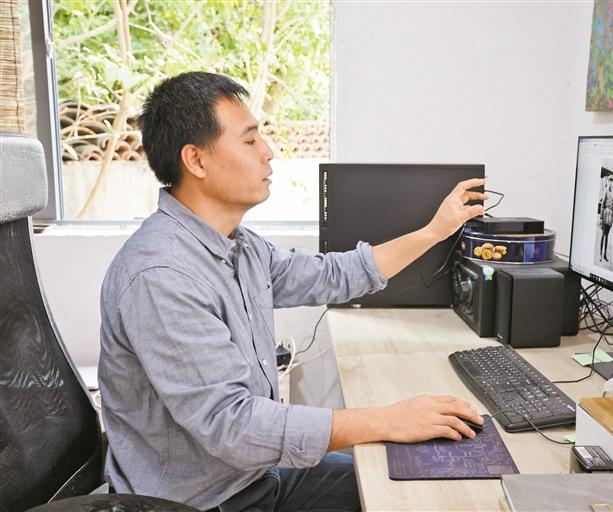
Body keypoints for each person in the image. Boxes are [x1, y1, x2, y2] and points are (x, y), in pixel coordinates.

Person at [97, 71, 486, 512]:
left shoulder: (239, 246)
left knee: (408, 485)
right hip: (204, 503)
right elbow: (235, 427)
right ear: (197, 161)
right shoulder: (162, 276)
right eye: (249, 140)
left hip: (251, 476)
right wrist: (386, 419)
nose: (268, 152)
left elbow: (332, 275)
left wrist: (436, 231)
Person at [599, 177, 613, 262]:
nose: (610, 183)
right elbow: (602, 205)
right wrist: (601, 217)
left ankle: (605, 254)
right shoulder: (605, 191)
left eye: (612, 182)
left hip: (610, 218)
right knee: (603, 235)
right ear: (608, 182)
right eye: (609, 181)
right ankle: (600, 254)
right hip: (605, 215)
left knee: (607, 236)